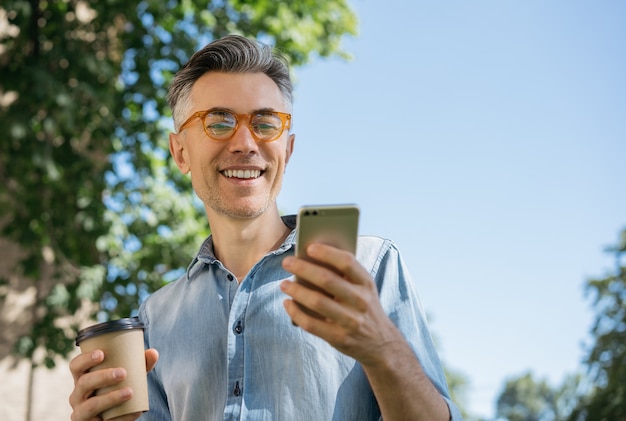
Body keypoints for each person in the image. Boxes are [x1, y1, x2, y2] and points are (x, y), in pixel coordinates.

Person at [69, 34, 463, 421]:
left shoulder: (368, 266)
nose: (245, 142)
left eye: (265, 122)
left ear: (287, 150)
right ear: (180, 152)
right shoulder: (156, 316)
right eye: (219, 122)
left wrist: (383, 350)